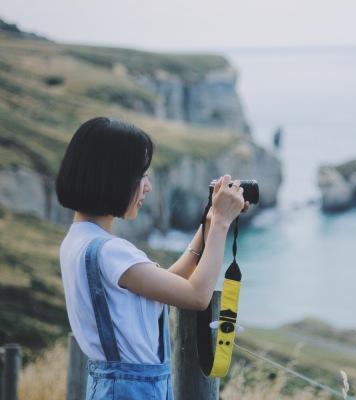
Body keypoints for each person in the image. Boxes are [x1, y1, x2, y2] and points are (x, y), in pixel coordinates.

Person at [56, 117, 249, 399]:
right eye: (141, 175)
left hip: (111, 386)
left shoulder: (78, 240)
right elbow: (196, 296)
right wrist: (221, 223)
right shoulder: (112, 252)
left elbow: (165, 285)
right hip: (131, 390)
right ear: (113, 178)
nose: (147, 186)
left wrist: (207, 226)